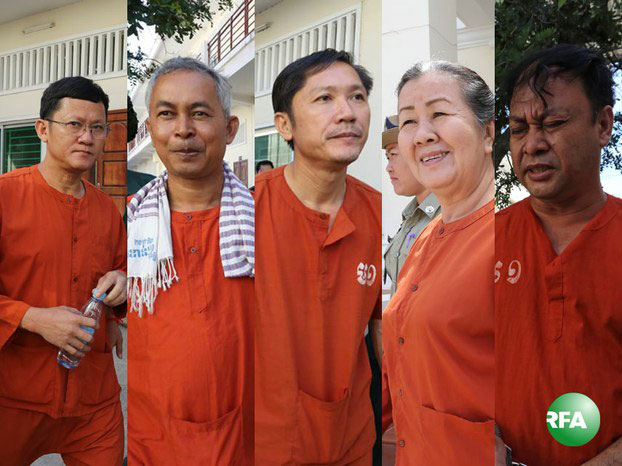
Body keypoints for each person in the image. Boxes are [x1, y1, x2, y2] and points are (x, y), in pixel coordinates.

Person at [495, 44, 622, 466]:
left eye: (552, 123)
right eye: (518, 129)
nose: (533, 144)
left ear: (602, 125)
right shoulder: (480, 242)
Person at [254, 49, 381, 465]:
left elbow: (386, 337)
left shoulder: (382, 216)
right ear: (284, 125)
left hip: (350, 438)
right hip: (258, 442)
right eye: (325, 98)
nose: (347, 113)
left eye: (357, 97)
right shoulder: (242, 211)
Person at [126, 57, 254, 465]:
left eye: (199, 113)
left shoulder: (264, 221)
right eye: (167, 114)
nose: (183, 130)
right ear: (151, 129)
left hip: (247, 437)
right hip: (154, 438)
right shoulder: (128, 222)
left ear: (229, 129)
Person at [0, 77, 126, 465]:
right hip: (14, 392)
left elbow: (122, 271)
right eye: (74, 125)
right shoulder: (6, 196)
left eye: (97, 127)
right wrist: (33, 318)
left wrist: (123, 283)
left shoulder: (107, 210)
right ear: (43, 129)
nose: (87, 137)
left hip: (94, 397)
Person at [382, 61, 495, 465]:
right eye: (409, 121)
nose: (423, 134)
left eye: (440, 114)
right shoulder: (425, 236)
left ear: (487, 133)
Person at [383, 114, 440, 297]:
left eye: (393, 155)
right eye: (387, 157)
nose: (389, 167)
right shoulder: (411, 217)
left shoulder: (448, 217)